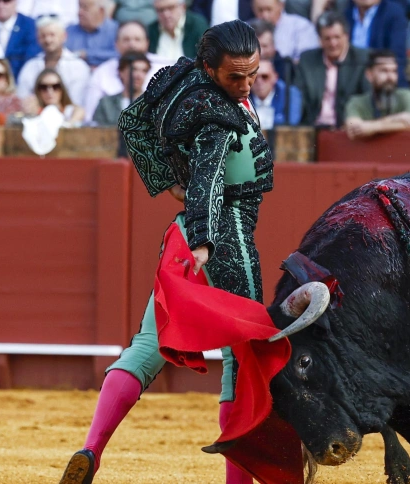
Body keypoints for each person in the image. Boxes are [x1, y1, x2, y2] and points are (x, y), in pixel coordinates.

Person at [58, 20, 272, 484]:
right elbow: (210, 181)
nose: (245, 85)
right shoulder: (218, 118)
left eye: (253, 74)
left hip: (182, 234)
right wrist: (204, 241)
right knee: (244, 360)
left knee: (147, 345)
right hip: (225, 238)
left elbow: (131, 123)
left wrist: (167, 182)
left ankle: (92, 448)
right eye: (235, 76)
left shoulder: (179, 79)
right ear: (210, 68)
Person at [82, 20, 171, 121]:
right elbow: (90, 117)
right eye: (126, 40)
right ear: (116, 44)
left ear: (147, 43)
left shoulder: (165, 68)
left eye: (137, 39)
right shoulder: (101, 72)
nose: (132, 44)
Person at [294, 11, 368, 127]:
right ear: (320, 40)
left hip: (348, 129)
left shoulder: (362, 59)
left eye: (337, 37)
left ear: (346, 36)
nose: (333, 43)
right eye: (327, 38)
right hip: (314, 127)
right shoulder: (307, 60)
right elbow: (299, 97)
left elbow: (366, 98)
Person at [344, 49, 410, 139]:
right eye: (384, 71)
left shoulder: (405, 95)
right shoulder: (356, 102)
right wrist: (398, 118)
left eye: (394, 71)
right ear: (369, 75)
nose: (390, 77)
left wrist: (371, 127)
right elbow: (353, 129)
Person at [17, 15, 91, 105]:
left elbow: (76, 102)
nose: (48, 40)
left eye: (52, 35)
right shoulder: (30, 66)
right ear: (38, 39)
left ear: (64, 36)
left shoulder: (78, 66)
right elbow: (22, 99)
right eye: (43, 36)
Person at [345, 0, 407, 86]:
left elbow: (396, 54)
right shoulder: (345, 14)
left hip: (381, 81)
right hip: (350, 80)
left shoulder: (393, 13)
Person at [0, 0, 41, 78]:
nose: (0, 5)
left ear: (15, 2)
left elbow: (31, 59)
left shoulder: (32, 27)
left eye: (6, 1)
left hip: (23, 80)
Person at [92, 51, 150, 126]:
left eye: (144, 71)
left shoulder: (154, 104)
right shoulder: (106, 103)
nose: (139, 76)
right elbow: (96, 130)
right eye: (134, 69)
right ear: (121, 72)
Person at [251, 0, 319, 62]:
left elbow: (306, 60)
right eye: (260, 10)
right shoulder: (247, 29)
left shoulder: (301, 27)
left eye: (269, 10)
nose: (265, 15)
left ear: (281, 6)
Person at [250, 58, 302, 129]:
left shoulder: (289, 93)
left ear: (275, 77)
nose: (259, 81)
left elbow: (292, 123)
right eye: (254, 78)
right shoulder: (241, 96)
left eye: (265, 77)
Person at [66, 0, 120, 67]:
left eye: (85, 8)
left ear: (101, 11)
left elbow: (120, 54)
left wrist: (87, 55)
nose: (79, 12)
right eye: (79, 7)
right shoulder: (70, 31)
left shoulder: (116, 31)